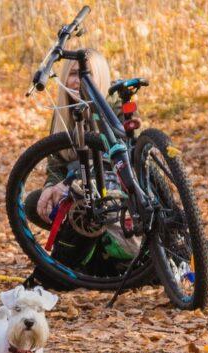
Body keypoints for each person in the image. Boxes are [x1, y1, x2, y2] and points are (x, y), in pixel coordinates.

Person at [23, 49, 140, 276]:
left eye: (86, 75)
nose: (77, 82)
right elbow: (55, 164)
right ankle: (90, 249)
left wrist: (70, 183)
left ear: (100, 79)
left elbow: (114, 161)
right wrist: (51, 187)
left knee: (86, 199)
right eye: (73, 74)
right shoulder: (62, 114)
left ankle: (113, 250)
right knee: (34, 203)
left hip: (113, 191)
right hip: (78, 192)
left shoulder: (114, 107)